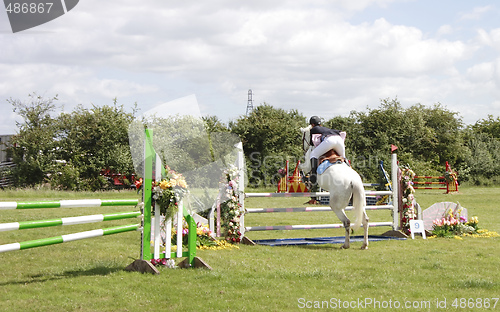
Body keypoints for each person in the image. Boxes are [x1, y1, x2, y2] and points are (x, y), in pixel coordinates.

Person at [308, 116, 346, 184]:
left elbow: (311, 143)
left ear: (312, 124)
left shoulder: (313, 129)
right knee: (343, 158)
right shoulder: (326, 129)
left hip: (330, 140)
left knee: (313, 154)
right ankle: (349, 169)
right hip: (339, 140)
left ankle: (313, 177)